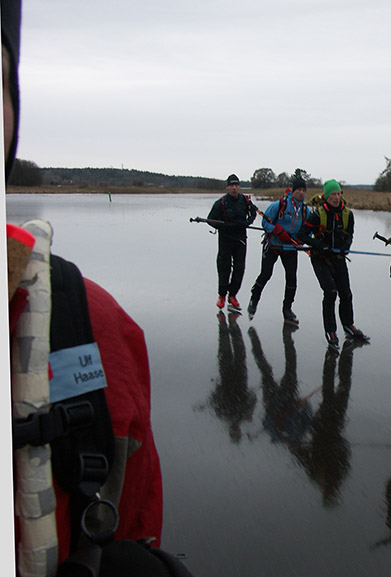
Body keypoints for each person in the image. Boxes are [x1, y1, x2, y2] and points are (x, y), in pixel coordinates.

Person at [4, 2, 191, 574]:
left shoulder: (94, 321)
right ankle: (234, 299)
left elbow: (132, 514)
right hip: (254, 249)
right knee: (243, 276)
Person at [297, 179, 369, 351]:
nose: (336, 197)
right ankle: (331, 331)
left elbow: (349, 235)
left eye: (338, 194)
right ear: (326, 196)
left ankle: (348, 326)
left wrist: (345, 247)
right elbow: (302, 235)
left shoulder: (348, 214)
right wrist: (319, 245)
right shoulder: (317, 215)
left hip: (338, 257)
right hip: (320, 258)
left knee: (346, 293)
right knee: (330, 292)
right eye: (333, 195)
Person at [247, 176, 308, 322]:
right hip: (273, 245)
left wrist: (303, 239)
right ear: (293, 191)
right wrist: (277, 230)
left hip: (290, 248)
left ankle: (287, 310)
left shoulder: (305, 211)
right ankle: (253, 300)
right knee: (266, 274)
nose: (301, 192)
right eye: (298, 189)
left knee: (292, 279)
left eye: (303, 190)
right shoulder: (278, 205)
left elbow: (309, 229)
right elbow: (265, 223)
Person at [207, 174, 258, 313]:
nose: (234, 188)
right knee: (224, 268)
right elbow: (210, 220)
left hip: (241, 239)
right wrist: (225, 227)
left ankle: (233, 295)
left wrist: (247, 222)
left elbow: (254, 213)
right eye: (232, 185)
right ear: (228, 187)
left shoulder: (245, 201)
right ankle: (222, 295)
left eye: (236, 185)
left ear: (239, 187)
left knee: (239, 269)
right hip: (225, 239)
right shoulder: (221, 202)